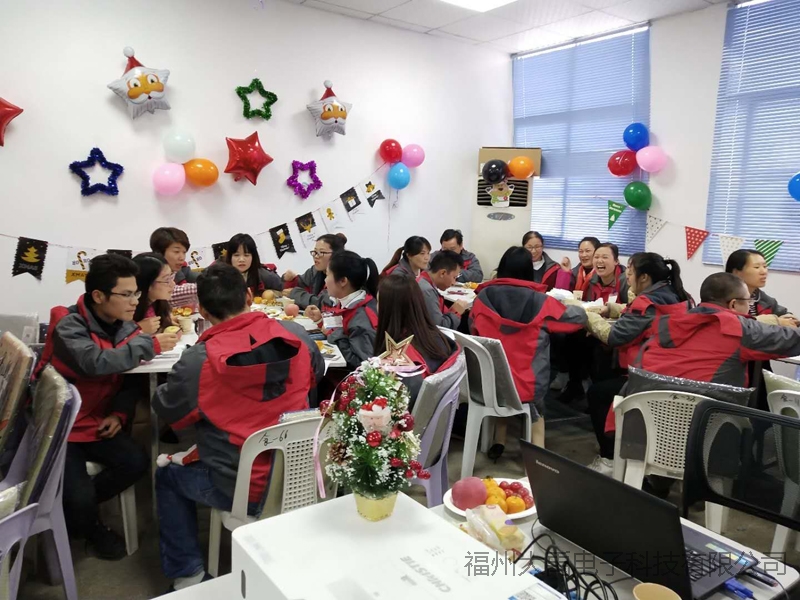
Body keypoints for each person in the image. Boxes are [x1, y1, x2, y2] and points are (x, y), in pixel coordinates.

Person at [152, 263, 324, 592]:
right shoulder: (297, 335)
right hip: (302, 477)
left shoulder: (198, 362)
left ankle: (188, 576)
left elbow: (167, 408)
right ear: (248, 295)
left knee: (167, 476)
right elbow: (315, 374)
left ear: (202, 311)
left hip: (241, 489)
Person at [35, 254, 178, 560]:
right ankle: (90, 524)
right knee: (79, 495)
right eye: (126, 295)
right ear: (99, 296)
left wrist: (119, 413)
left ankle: (75, 510)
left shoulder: (125, 327)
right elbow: (95, 362)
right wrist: (150, 344)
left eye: (136, 293)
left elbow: (128, 380)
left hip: (96, 422)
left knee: (136, 462)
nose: (134, 301)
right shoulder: (68, 324)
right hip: (58, 426)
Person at [470, 247, 587, 457]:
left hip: (487, 384)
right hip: (527, 387)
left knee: (503, 370)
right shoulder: (540, 301)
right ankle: (536, 455)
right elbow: (577, 319)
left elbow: (473, 329)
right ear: (528, 271)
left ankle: (499, 440)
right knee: (536, 404)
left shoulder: (482, 298)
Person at [584, 252, 692, 475]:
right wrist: (614, 309)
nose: (627, 277)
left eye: (631, 273)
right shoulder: (680, 295)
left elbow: (616, 336)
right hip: (677, 372)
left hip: (648, 376)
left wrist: (588, 318)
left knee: (598, 392)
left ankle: (609, 458)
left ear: (644, 277)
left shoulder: (647, 302)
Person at [635, 273, 800, 386]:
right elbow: (792, 339)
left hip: (649, 418)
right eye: (748, 302)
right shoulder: (736, 328)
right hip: (711, 420)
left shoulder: (669, 323)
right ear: (733, 304)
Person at [374, 273, 460, 408]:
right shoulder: (437, 338)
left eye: (379, 302)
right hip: (439, 415)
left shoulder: (399, 361)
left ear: (388, 309)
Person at [308, 250, 379, 368]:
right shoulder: (346, 303)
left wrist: (336, 335)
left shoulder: (361, 319)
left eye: (327, 275)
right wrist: (321, 321)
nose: (325, 281)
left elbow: (363, 365)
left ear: (343, 281)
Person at [725, 249, 798, 325]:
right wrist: (774, 321)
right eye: (756, 267)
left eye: (765, 266)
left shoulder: (760, 297)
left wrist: (789, 318)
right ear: (736, 272)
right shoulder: (722, 297)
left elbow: (782, 312)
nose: (764, 272)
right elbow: (732, 324)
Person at [282, 233, 347, 310]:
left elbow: (324, 305)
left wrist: (295, 294)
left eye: (321, 252)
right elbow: (300, 283)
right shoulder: (315, 270)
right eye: (315, 252)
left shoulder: (341, 277)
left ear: (336, 255)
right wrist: (290, 279)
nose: (316, 256)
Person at [150, 227, 199, 308]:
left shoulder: (176, 270)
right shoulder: (149, 271)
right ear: (159, 253)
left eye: (184, 252)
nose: (182, 257)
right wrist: (203, 288)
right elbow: (168, 294)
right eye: (176, 252)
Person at [419, 250, 469, 330]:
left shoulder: (422, 280)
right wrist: (455, 312)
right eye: (454, 277)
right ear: (442, 273)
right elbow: (440, 328)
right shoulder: (427, 291)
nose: (454, 283)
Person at [222, 233, 282, 297]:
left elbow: (282, 289)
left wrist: (266, 294)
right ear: (230, 257)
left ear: (253, 257)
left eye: (246, 255)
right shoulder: (220, 276)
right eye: (236, 255)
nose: (241, 259)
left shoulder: (264, 275)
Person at [133, 253, 175, 334]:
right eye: (167, 280)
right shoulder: (128, 310)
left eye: (171, 277)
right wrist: (139, 330)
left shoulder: (157, 304)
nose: (173, 284)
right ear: (147, 283)